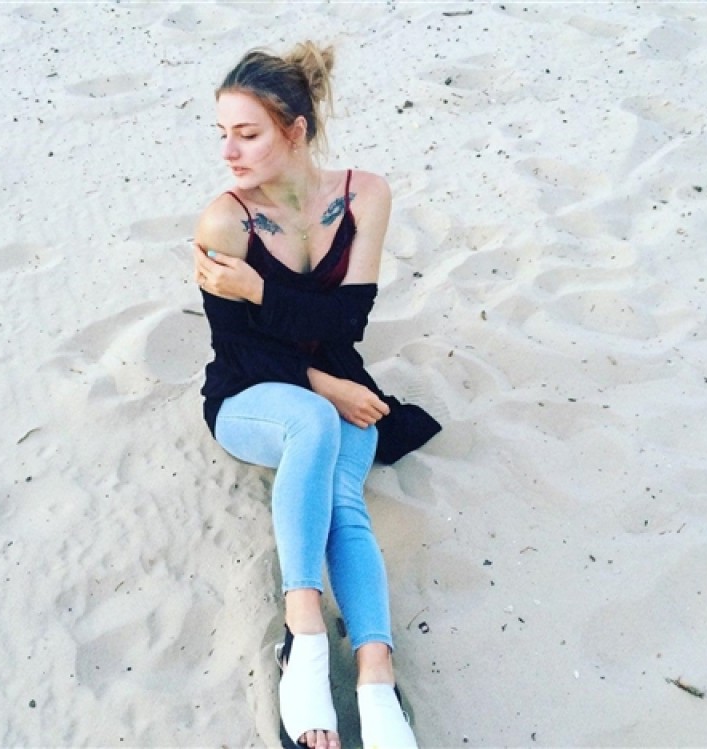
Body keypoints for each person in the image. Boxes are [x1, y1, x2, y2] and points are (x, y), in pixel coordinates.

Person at [193, 41, 441, 749]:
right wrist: (322, 382)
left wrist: (262, 291)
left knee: (342, 496)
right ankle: (303, 631)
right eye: (222, 134)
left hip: (341, 384)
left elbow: (347, 322)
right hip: (249, 395)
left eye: (248, 134)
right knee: (311, 420)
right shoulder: (225, 221)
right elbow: (237, 348)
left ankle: (374, 667)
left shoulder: (364, 195)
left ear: (296, 129)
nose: (229, 152)